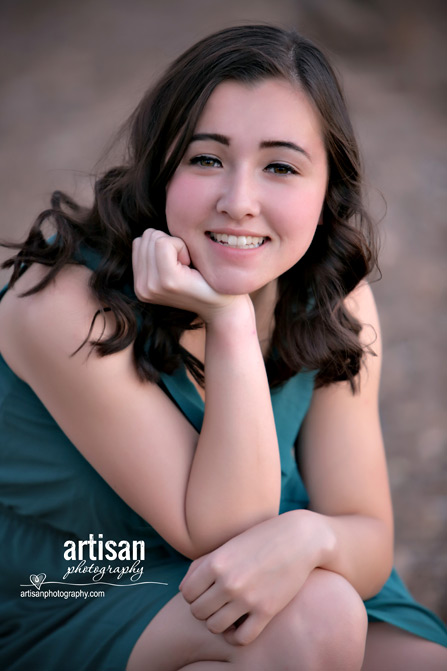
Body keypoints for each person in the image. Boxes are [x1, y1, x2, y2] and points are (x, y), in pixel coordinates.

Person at [0, 24, 445, 671]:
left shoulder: (330, 296)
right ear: (162, 167)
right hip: (81, 586)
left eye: (280, 167)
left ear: (328, 192)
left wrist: (310, 532)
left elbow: (366, 535)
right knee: (316, 617)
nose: (238, 202)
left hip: (283, 561)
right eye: (205, 158)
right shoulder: (59, 302)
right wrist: (230, 317)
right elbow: (222, 533)